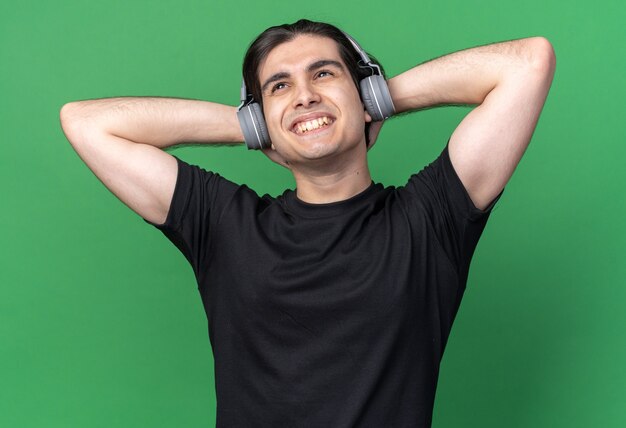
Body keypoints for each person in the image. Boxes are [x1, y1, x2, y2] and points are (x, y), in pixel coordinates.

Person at [60, 19, 555, 427]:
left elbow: (527, 63)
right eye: (279, 86)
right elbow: (86, 122)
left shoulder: (430, 218)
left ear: (364, 91)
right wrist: (258, 126)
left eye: (323, 75)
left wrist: (375, 99)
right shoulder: (224, 225)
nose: (303, 96)